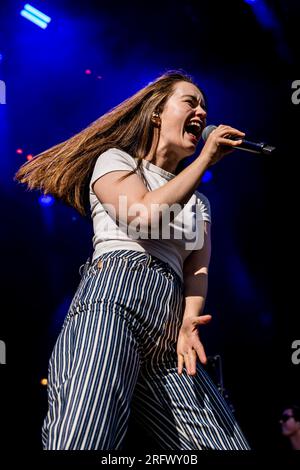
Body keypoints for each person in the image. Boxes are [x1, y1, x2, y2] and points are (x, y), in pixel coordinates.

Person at [14, 70, 250, 450]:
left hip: (169, 329)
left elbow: (197, 268)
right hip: (113, 302)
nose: (203, 113)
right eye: (190, 102)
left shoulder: (200, 204)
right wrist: (205, 159)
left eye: (206, 107)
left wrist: (190, 321)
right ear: (157, 112)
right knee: (84, 434)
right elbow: (142, 216)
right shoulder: (115, 162)